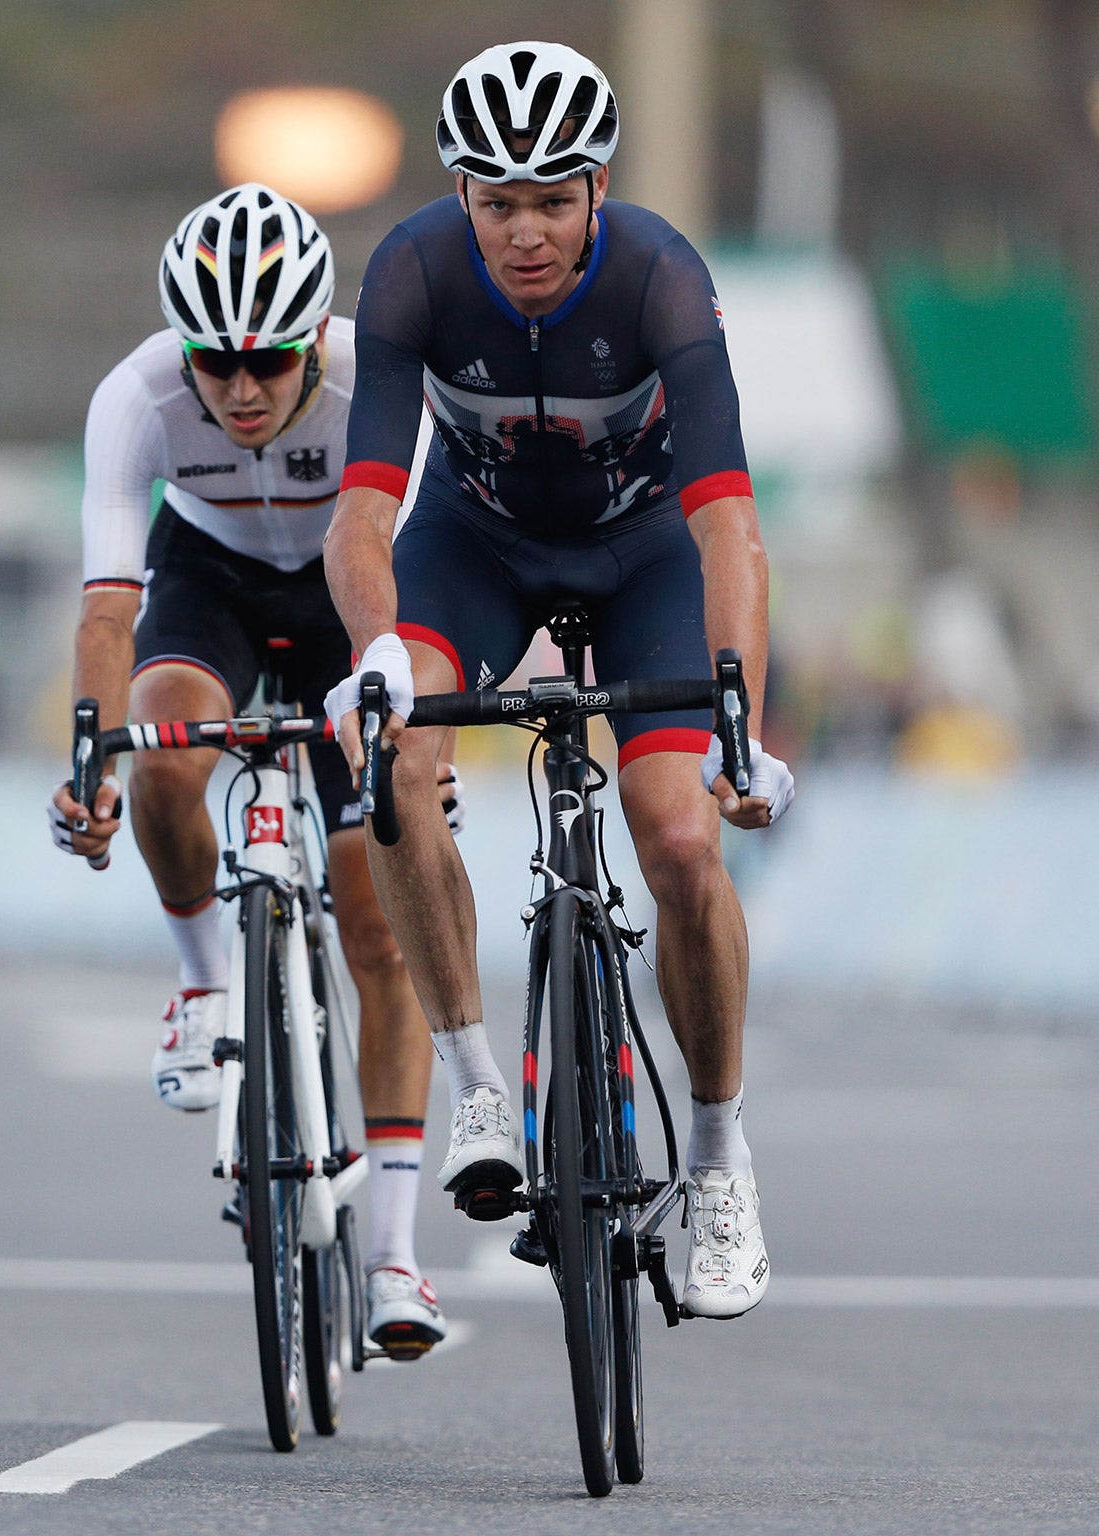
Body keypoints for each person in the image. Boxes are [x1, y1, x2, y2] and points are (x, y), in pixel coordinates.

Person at [322, 43, 795, 1319]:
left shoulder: (658, 278)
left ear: (597, 190)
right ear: (459, 199)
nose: (524, 232)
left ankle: (714, 1157)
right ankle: (475, 1073)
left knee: (681, 841)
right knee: (396, 765)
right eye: (495, 202)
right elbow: (361, 515)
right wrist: (375, 658)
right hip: (469, 549)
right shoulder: (413, 271)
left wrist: (736, 713)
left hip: (644, 557)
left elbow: (724, 524)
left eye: (550, 199)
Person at [50, 185, 464, 1355]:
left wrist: (420, 741)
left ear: (312, 339)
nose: (238, 390)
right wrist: (89, 758)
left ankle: (392, 1251)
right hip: (214, 584)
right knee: (161, 751)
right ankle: (201, 982)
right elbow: (104, 607)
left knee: (375, 914)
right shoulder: (133, 398)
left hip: (351, 600)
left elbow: (429, 573)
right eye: (214, 364)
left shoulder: (372, 378)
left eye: (267, 362)